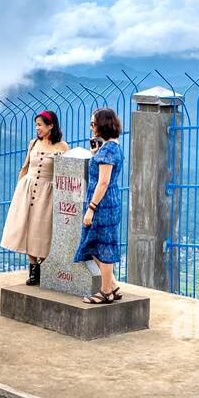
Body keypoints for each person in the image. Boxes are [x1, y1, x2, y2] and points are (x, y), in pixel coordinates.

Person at [0, 110, 70, 285]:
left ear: (51, 126)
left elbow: (66, 172)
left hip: (48, 192)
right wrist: (19, 187)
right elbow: (26, 166)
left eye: (40, 125)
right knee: (29, 228)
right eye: (36, 125)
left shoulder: (62, 147)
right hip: (28, 189)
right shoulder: (33, 143)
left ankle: (45, 266)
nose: (37, 128)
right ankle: (33, 269)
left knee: (44, 230)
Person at [74, 107, 124, 305]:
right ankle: (113, 286)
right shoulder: (111, 148)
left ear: (102, 126)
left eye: (93, 124)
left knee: (102, 246)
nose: (91, 127)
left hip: (103, 205)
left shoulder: (109, 150)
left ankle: (105, 292)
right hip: (108, 202)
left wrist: (91, 208)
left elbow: (103, 182)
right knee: (92, 244)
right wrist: (96, 153)